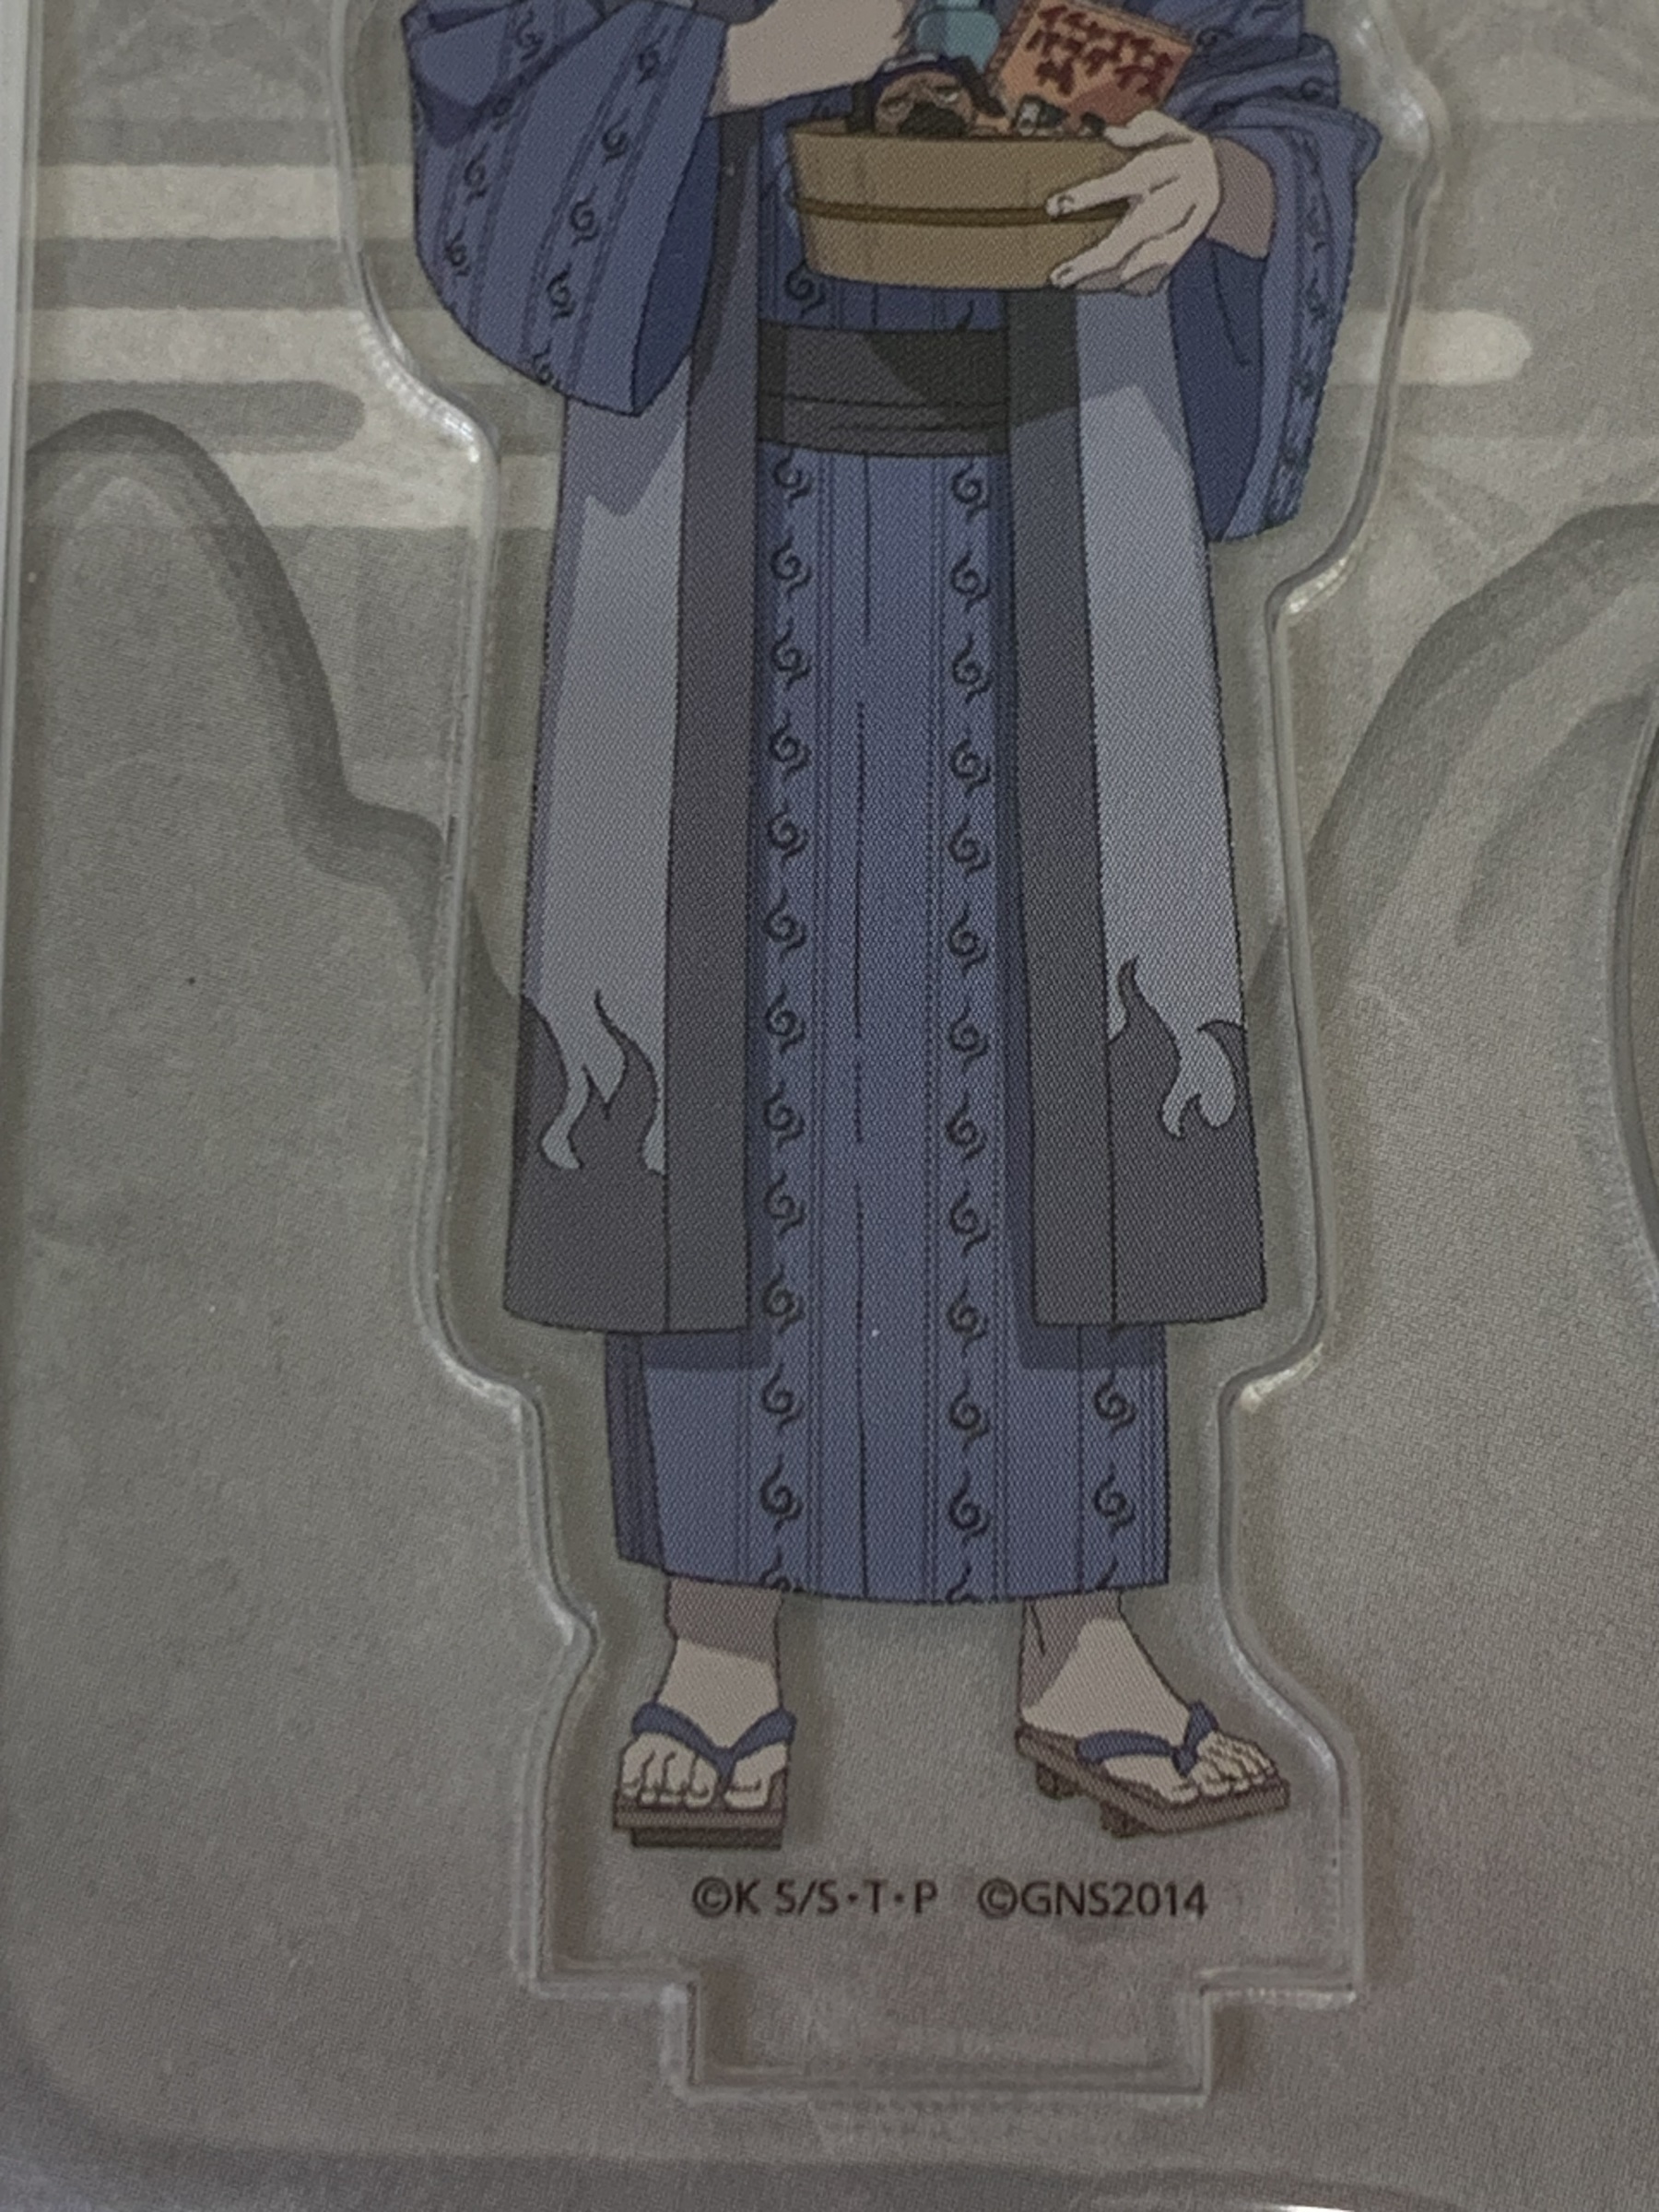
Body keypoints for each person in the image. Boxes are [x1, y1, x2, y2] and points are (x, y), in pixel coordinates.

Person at [404, 0, 1379, 1845]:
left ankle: (1085, 1639)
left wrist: (1225, 185)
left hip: (1058, 503)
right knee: (697, 1061)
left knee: (1081, 1061)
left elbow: (1273, 95)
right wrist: (747, 60)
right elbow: (489, 75)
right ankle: (714, 1643)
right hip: (718, 504)